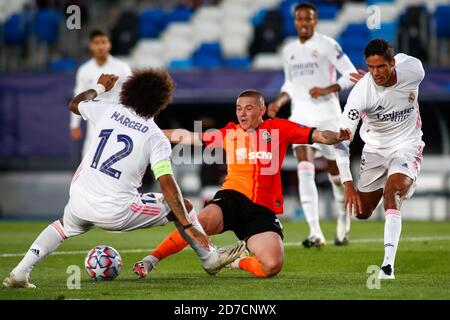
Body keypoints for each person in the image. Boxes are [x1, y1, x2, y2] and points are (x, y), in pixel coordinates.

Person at [3, 70, 247, 289]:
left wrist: (99, 88)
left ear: (130, 91)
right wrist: (187, 225)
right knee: (185, 206)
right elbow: (167, 184)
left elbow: (75, 104)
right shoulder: (155, 137)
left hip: (79, 198)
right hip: (116, 210)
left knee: (62, 226)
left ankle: (19, 272)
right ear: (161, 102)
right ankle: (209, 258)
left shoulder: (108, 110)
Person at [133, 89, 351, 279]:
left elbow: (319, 135)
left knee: (272, 265)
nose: (242, 113)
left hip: (262, 209)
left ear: (262, 110)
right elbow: (189, 137)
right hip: (232, 198)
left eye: (249, 108)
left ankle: (235, 261)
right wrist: (153, 133)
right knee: (199, 223)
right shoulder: (230, 133)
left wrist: (336, 136)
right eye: (239, 108)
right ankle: (150, 260)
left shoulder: (279, 129)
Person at [267, 3, 357, 247]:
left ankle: (343, 221)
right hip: (300, 116)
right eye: (299, 19)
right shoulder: (288, 50)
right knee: (303, 169)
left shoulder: (328, 45)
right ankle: (315, 232)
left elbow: (351, 74)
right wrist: (278, 102)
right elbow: (290, 84)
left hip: (327, 115)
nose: (303, 23)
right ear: (295, 21)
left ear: (315, 21)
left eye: (308, 19)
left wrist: (327, 89)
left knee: (335, 174)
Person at [334, 39, 425, 280]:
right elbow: (341, 140)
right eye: (371, 68)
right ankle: (399, 183)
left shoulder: (414, 70)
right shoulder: (361, 92)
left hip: (407, 145)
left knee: (391, 194)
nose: (376, 73)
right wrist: (347, 183)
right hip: (374, 150)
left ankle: (387, 266)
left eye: (381, 67)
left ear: (393, 63)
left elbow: (407, 68)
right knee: (362, 212)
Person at [70, 29, 132, 158]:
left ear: (109, 44)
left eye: (104, 42)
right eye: (96, 43)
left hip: (118, 120)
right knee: (89, 158)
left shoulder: (122, 68)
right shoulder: (84, 70)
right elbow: (78, 95)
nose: (100, 46)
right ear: (91, 46)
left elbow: (131, 94)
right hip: (94, 121)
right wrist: (74, 124)